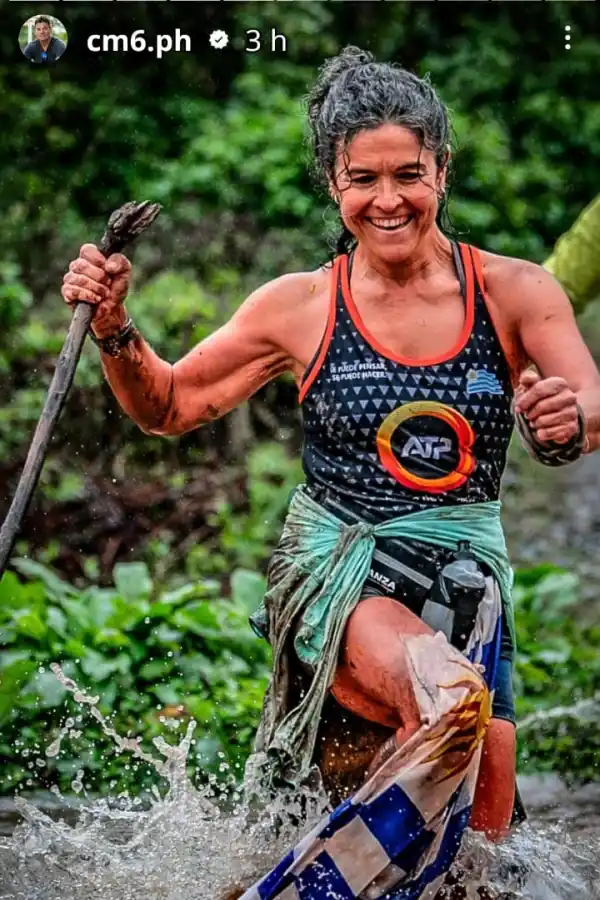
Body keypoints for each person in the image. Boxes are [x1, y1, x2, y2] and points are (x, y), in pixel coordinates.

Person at [61, 47, 600, 897]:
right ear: (331, 183)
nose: (387, 200)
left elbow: (588, 410)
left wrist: (566, 419)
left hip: (470, 588)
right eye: (362, 179)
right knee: (453, 704)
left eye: (408, 175)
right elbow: (167, 406)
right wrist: (117, 329)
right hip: (343, 577)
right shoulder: (300, 306)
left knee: (477, 868)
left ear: (442, 171)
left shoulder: (517, 292)